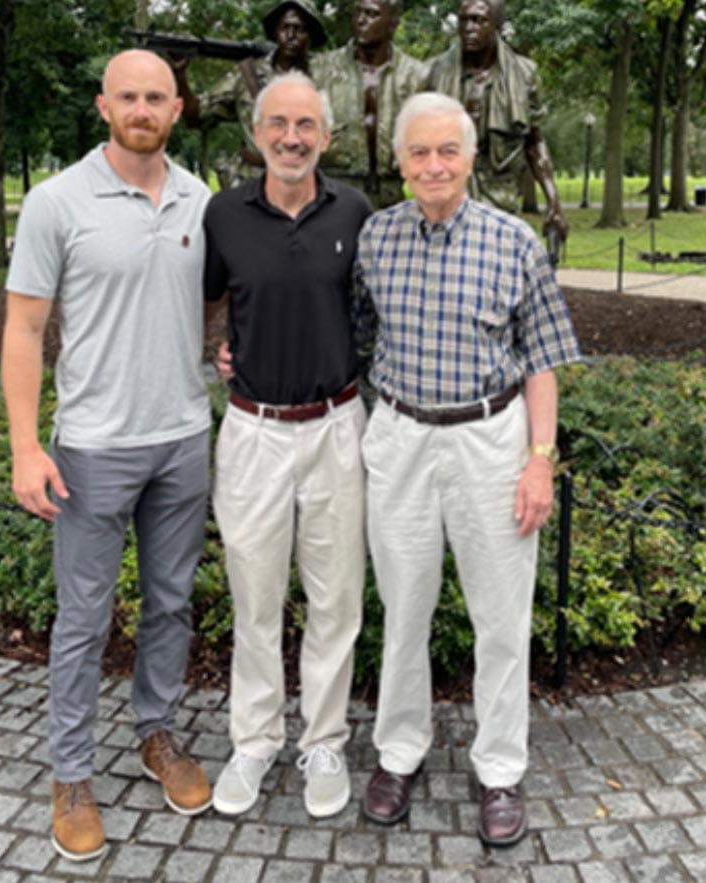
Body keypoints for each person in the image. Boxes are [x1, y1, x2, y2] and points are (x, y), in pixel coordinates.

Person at [1, 49, 213, 862]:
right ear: (103, 106)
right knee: (84, 617)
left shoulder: (201, 198)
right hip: (91, 446)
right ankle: (71, 771)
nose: (142, 107)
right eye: (128, 95)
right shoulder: (57, 201)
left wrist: (224, 355)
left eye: (156, 96)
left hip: (184, 437)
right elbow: (22, 330)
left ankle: (155, 731)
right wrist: (26, 445)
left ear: (177, 108)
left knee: (170, 601)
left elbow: (211, 301)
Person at [355, 92, 580, 846]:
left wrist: (539, 460)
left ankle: (500, 768)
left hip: (491, 439)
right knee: (404, 610)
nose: (433, 164)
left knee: (501, 617)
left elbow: (545, 358)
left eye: (447, 150)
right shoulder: (376, 239)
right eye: (418, 152)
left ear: (472, 157)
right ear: (399, 161)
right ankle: (398, 753)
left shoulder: (514, 240)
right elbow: (348, 335)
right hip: (399, 439)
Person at [203, 71, 370, 819]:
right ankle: (255, 739)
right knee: (255, 596)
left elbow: (374, 306)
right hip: (253, 432)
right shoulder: (224, 214)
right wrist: (221, 346)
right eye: (278, 123)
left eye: (305, 124)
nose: (291, 137)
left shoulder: (359, 211)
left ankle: (324, 739)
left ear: (326, 136)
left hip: (338, 427)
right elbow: (211, 298)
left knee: (336, 600)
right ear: (257, 133)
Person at [429, 0, 568, 244]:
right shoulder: (434, 72)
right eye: (464, 20)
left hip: (500, 201)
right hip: (446, 199)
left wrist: (553, 201)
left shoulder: (524, 74)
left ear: (497, 25)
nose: (469, 28)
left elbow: (534, 143)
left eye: (479, 20)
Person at [174, 0, 327, 185]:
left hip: (306, 183)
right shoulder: (248, 74)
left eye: (299, 29)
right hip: (252, 183)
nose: (291, 36)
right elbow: (195, 115)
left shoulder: (326, 77)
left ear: (311, 36)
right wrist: (179, 74)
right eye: (284, 28)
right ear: (275, 32)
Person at [311, 0, 429, 208]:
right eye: (357, 14)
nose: (361, 21)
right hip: (334, 189)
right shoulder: (320, 70)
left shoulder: (417, 76)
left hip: (395, 194)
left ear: (392, 22)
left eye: (371, 14)